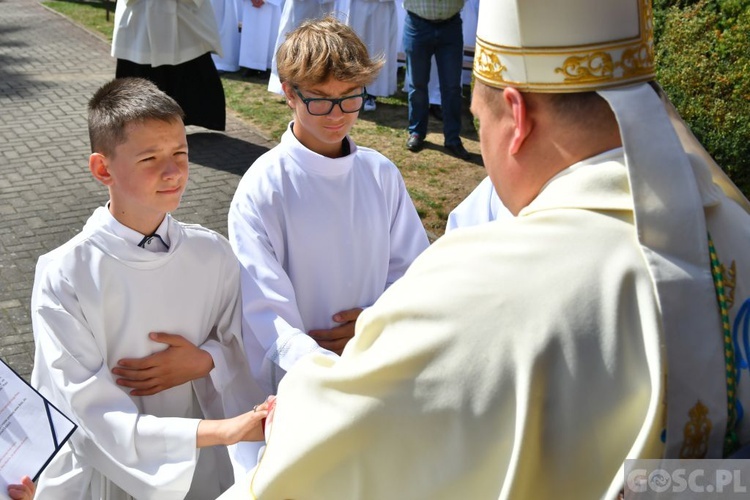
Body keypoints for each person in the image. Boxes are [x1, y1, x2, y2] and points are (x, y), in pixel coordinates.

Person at [219, 0, 750, 498]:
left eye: (477, 118)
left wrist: (341, 368)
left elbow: (338, 455)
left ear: (515, 117)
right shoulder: (735, 229)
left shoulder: (486, 289)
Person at [30, 77, 269, 500]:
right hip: (111, 473)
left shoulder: (211, 253)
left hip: (202, 464)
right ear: (104, 169)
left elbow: (250, 339)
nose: (173, 171)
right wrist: (221, 430)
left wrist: (206, 360)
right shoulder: (65, 275)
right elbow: (85, 408)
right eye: (150, 158)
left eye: (180, 153)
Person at [228, 15, 429, 396]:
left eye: (350, 97)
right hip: (305, 378)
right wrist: (319, 366)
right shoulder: (264, 187)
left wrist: (374, 325)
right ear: (289, 93)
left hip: (377, 357)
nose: (338, 115)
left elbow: (411, 270)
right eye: (320, 100)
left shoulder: (379, 173)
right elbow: (264, 305)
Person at [112, 0, 227, 131]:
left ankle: (189, 118)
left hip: (181, 18)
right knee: (139, 75)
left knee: (189, 68)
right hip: (140, 18)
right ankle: (137, 124)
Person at [403, 0, 469, 160]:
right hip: (417, 24)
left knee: (452, 87)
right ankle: (417, 132)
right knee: (417, 84)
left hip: (450, 25)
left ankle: (452, 138)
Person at [338, 0, 399, 111]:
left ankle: (372, 93)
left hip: (382, 6)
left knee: (379, 45)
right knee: (355, 43)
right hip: (358, 5)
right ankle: (352, 88)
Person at [266, 0, 337, 94]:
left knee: (325, 38)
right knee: (297, 37)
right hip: (302, 4)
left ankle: (320, 79)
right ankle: (290, 81)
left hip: (327, 5)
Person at [238, 0, 285, 74]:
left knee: (270, 33)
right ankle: (251, 65)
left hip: (270, 5)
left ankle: (268, 67)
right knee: (251, 33)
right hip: (250, 4)